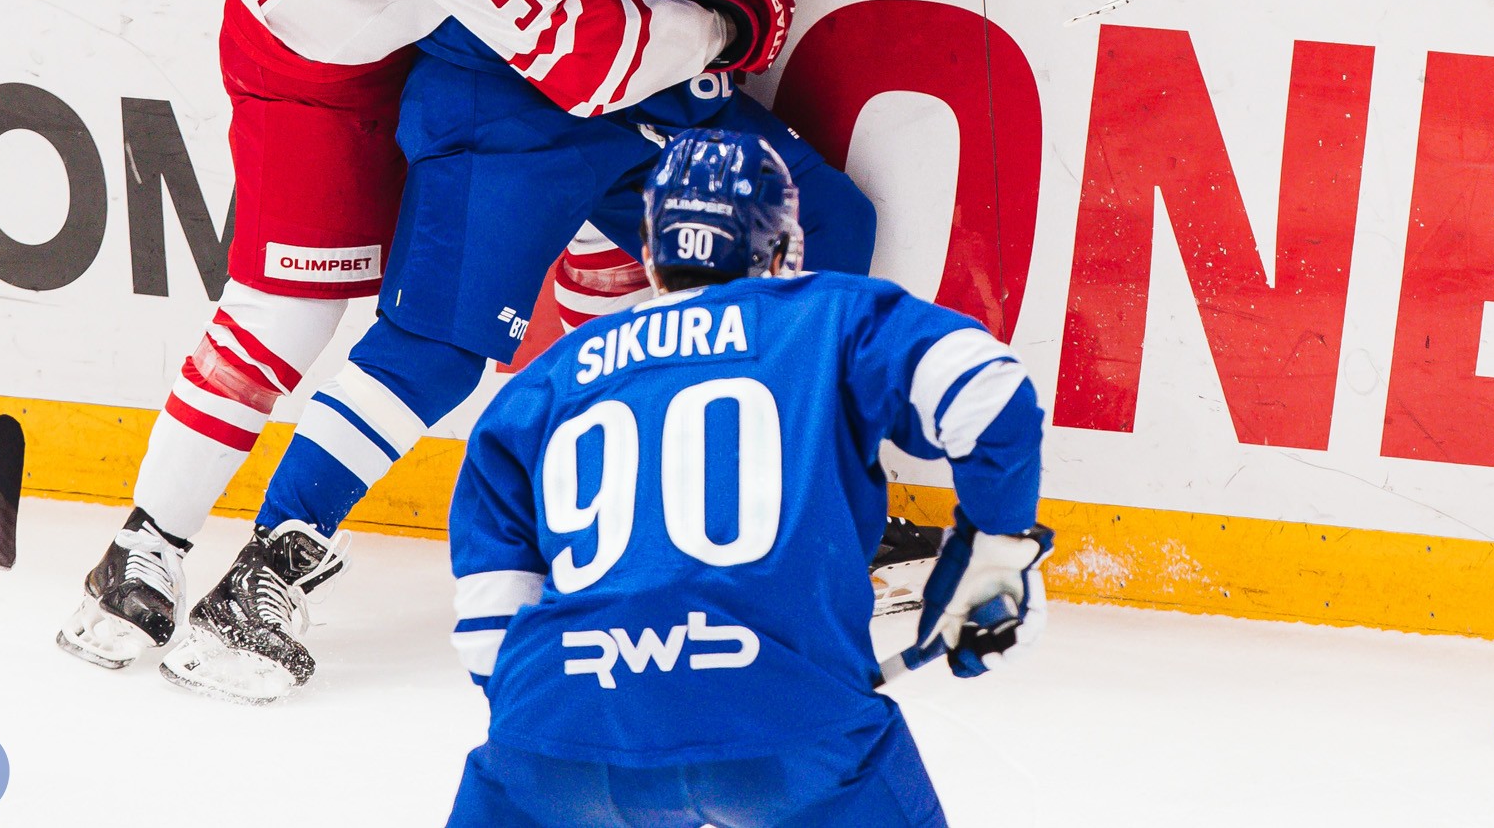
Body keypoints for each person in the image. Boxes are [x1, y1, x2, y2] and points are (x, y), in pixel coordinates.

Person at [156, 0, 980, 702]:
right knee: (435, 345)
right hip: (515, 104)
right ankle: (264, 566)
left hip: (617, 84)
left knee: (820, 220)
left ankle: (812, 510)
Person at [446, 129, 1052, 828]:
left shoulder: (546, 378)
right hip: (790, 732)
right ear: (782, 246)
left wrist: (588, 723)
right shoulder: (830, 315)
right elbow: (987, 390)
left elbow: (488, 621)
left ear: (649, 250)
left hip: (558, 739)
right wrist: (996, 549)